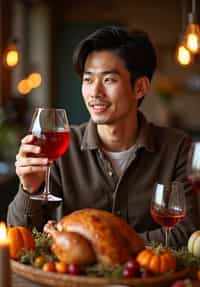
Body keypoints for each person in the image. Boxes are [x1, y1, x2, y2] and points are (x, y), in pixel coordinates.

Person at [7, 26, 197, 247]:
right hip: (73, 280)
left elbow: (187, 234)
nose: (95, 92)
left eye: (108, 80)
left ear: (140, 87)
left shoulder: (177, 149)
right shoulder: (61, 148)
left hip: (151, 280)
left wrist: (99, 243)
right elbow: (20, 237)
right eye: (88, 80)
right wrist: (30, 189)